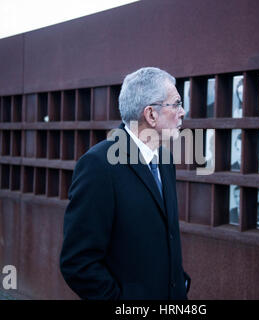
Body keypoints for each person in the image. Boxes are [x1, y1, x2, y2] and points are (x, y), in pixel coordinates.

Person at [60, 67, 191, 300]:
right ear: (151, 115)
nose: (182, 112)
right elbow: (78, 262)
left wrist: (179, 282)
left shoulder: (165, 160)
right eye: (176, 103)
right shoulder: (98, 165)